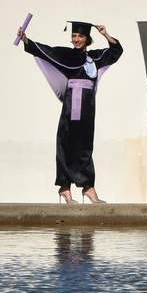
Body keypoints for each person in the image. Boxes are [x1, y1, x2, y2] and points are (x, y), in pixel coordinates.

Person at [20, 21, 123, 204]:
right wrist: (26, 40)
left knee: (85, 145)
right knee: (67, 141)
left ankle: (88, 187)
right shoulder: (67, 54)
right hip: (73, 102)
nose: (76, 40)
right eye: (74, 36)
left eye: (80, 36)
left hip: (88, 105)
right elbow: (46, 51)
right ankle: (65, 187)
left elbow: (116, 51)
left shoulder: (95, 57)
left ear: (87, 39)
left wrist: (105, 34)